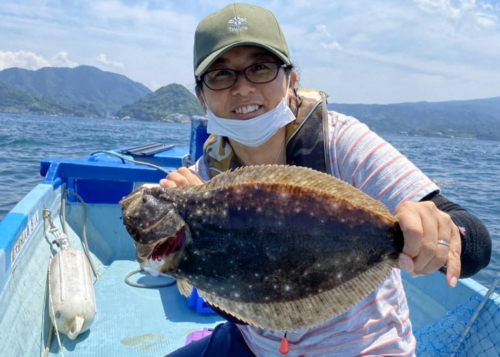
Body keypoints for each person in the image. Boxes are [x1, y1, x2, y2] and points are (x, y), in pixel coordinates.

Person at [160, 3, 492, 356]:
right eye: (221, 75)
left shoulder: (340, 143)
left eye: (260, 68)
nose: (242, 88)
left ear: (291, 79)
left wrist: (440, 233)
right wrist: (188, 244)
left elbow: (476, 247)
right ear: (202, 97)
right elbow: (232, 308)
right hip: (254, 346)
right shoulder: (202, 183)